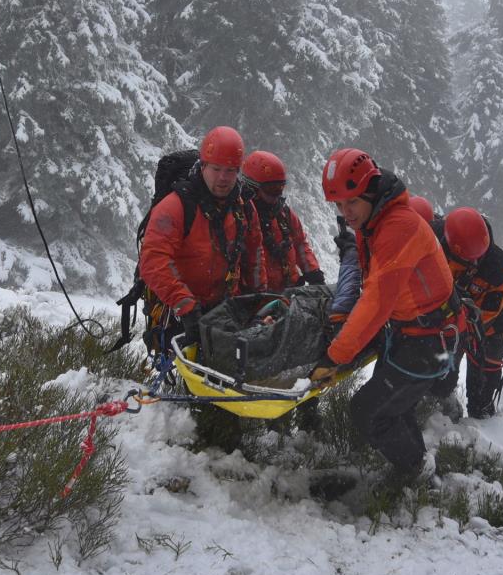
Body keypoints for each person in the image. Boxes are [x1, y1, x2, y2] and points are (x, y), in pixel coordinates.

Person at [309, 147, 459, 485]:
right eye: (339, 205)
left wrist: (335, 356)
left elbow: (376, 301)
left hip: (425, 342)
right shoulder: (376, 219)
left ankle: (416, 472)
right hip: (411, 335)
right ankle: (418, 466)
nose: (346, 213)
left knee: (368, 411)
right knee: (394, 406)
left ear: (371, 191)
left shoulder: (397, 228)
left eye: (352, 203)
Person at [139, 126, 262, 449]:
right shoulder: (175, 206)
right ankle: (191, 440)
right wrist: (184, 304)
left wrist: (256, 298)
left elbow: (253, 254)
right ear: (203, 166)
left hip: (222, 305)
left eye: (231, 171)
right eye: (217, 169)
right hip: (179, 307)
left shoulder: (243, 208)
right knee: (192, 375)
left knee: (222, 377)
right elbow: (153, 260)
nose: (223, 178)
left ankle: (218, 438)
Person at [429, 207, 503, 419]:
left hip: (484, 326)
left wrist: (461, 324)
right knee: (439, 378)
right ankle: (440, 406)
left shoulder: (498, 268)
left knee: (482, 391)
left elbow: (489, 313)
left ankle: (482, 412)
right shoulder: (432, 244)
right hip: (443, 323)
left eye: (478, 258)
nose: (474, 264)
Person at [241, 150, 324, 291]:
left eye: (280, 188)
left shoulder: (284, 213)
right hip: (259, 297)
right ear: (252, 188)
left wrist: (313, 272)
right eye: (271, 189)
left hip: (289, 292)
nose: (277, 195)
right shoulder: (241, 217)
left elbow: (300, 244)